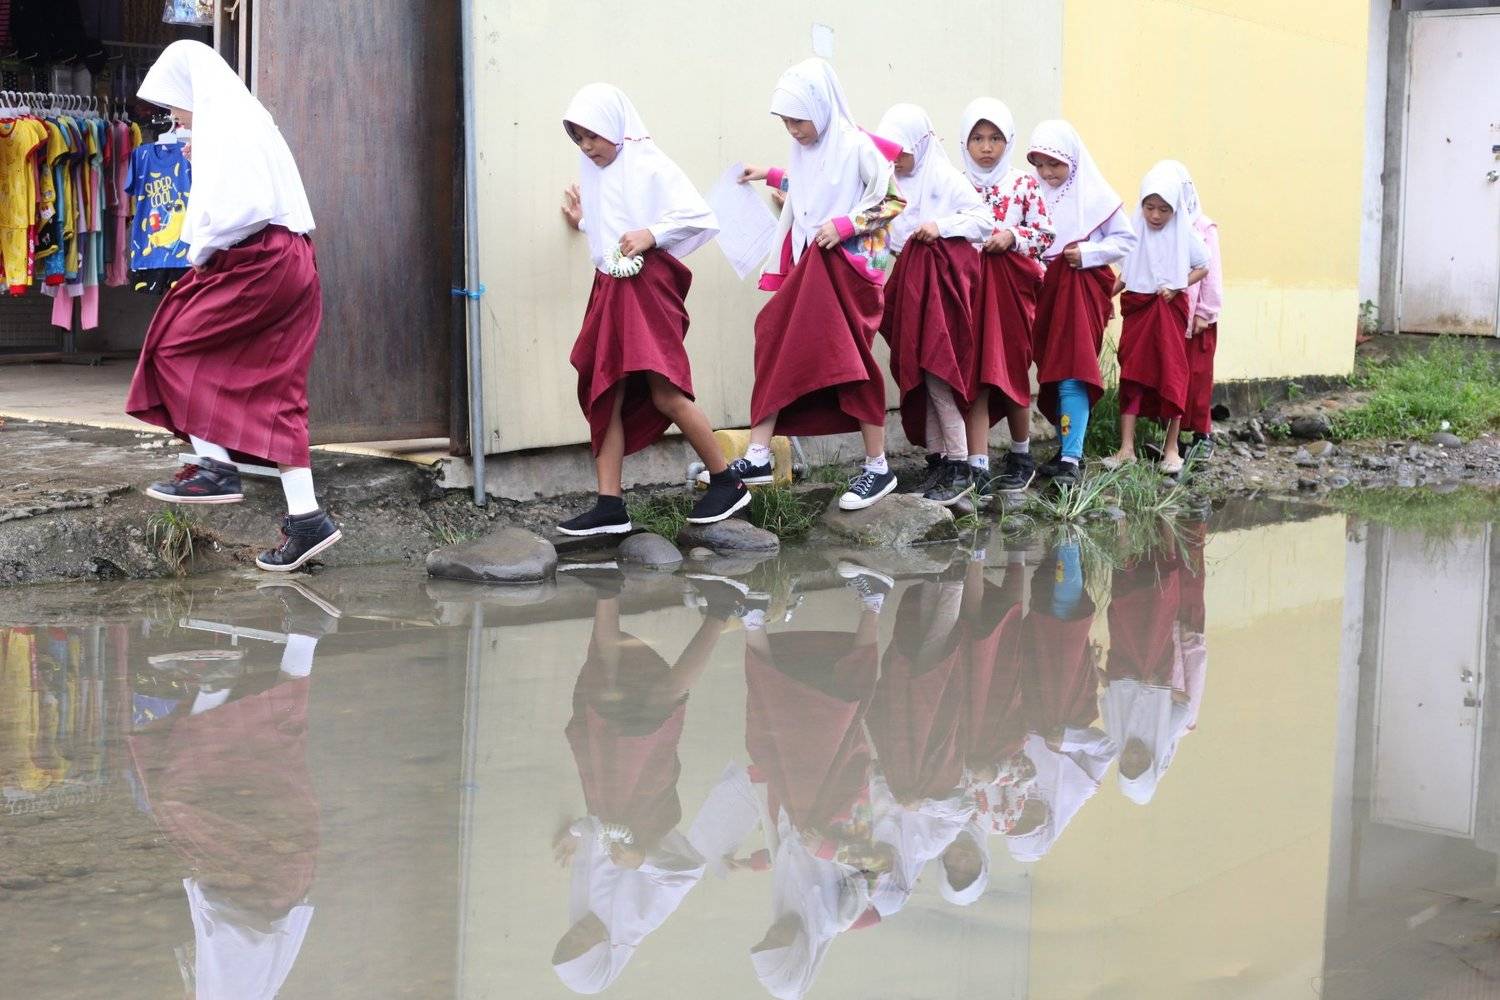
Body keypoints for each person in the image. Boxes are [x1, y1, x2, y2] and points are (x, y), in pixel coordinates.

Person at [127, 40, 338, 572]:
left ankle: (214, 469)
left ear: (190, 89)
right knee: (279, 388)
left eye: (173, 105)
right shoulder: (246, 117)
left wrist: (197, 257)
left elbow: (242, 209)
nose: (174, 118)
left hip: (257, 258)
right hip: (291, 257)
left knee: (171, 344)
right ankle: (307, 518)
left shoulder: (225, 124)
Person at [557, 84, 749, 536]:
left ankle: (727, 482)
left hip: (646, 287)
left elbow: (698, 216)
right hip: (609, 286)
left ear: (615, 128)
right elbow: (612, 223)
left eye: (593, 135)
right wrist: (585, 222)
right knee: (608, 390)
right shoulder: (595, 171)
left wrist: (652, 233)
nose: (587, 147)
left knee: (665, 390)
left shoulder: (649, 163)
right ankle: (610, 504)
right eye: (578, 138)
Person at [734, 58, 907, 512]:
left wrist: (845, 224)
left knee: (850, 361)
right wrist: (768, 174)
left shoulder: (857, 145)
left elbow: (892, 200)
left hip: (849, 272)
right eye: (785, 122)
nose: (793, 130)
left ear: (822, 108)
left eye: (799, 120)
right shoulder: (808, 149)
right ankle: (757, 453)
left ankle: (878, 467)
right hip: (813, 267)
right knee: (774, 335)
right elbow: (813, 184)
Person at [874, 103, 991, 506]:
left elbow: (984, 221)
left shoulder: (944, 178)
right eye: (890, 151)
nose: (895, 158)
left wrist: (940, 226)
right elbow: (882, 231)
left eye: (902, 150)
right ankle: (939, 460)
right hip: (912, 291)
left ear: (920, 145)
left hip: (942, 294)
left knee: (938, 370)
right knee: (919, 373)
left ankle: (959, 465)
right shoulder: (890, 182)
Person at [1025, 121, 1138, 485]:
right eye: (1040, 164)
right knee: (1053, 372)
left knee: (1074, 369)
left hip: (1078, 290)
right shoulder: (1032, 193)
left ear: (1072, 160)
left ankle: (1072, 458)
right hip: (1045, 293)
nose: (1047, 172)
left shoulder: (1095, 196)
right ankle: (1065, 448)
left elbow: (1126, 241)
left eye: (1055, 164)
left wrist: (1088, 253)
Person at [958, 98, 1056, 496]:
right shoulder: (956, 184)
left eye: (995, 138)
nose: (986, 147)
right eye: (977, 138)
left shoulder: (1023, 184)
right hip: (969, 292)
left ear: (1008, 140)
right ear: (965, 142)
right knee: (974, 375)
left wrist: (1012, 236)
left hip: (1012, 294)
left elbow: (1045, 235)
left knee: (1011, 369)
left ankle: (1021, 454)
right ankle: (977, 462)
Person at [1105, 163, 1209, 474]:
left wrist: (1178, 285)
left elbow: (1203, 266)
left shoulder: (1184, 232)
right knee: (1132, 374)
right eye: (1149, 207)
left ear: (1175, 208)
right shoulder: (1133, 229)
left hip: (1168, 310)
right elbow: (1127, 273)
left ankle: (1172, 449)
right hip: (1139, 310)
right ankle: (1126, 448)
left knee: (1172, 372)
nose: (1155, 215)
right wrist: (1103, 297)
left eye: (1164, 209)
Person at [1165, 160, 1223, 461]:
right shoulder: (1163, 225)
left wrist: (1205, 311)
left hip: (1197, 318)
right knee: (1173, 377)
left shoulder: (1202, 226)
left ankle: (1202, 435)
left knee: (1197, 378)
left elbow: (1212, 272)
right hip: (1171, 316)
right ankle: (1171, 438)